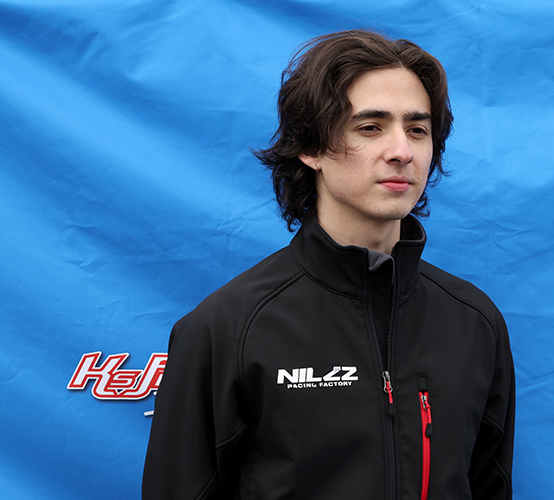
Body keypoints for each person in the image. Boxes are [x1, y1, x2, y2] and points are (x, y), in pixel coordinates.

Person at [142, 29, 515, 500]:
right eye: (370, 127)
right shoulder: (226, 329)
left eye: (417, 130)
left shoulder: (474, 323)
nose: (402, 151)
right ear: (310, 147)